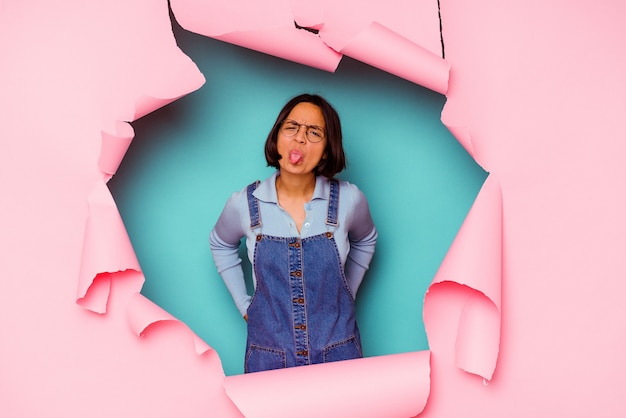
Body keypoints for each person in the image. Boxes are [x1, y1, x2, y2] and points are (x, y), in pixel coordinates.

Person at [209, 94, 377, 373]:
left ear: (326, 149)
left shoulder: (349, 200)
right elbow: (220, 244)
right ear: (276, 138)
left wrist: (347, 292)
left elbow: (366, 239)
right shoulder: (245, 204)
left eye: (314, 132)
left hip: (339, 353)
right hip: (269, 356)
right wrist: (243, 304)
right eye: (292, 127)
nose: (300, 138)